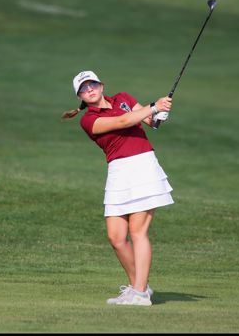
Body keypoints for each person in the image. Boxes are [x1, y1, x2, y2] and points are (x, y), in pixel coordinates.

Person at [62, 70, 174, 306]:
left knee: (137, 231)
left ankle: (140, 293)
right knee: (116, 237)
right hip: (118, 172)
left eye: (92, 84)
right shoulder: (88, 120)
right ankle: (138, 287)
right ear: (80, 96)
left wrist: (159, 114)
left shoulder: (123, 98)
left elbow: (150, 121)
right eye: (84, 88)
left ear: (101, 86)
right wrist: (154, 106)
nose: (89, 89)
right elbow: (124, 121)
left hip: (143, 165)